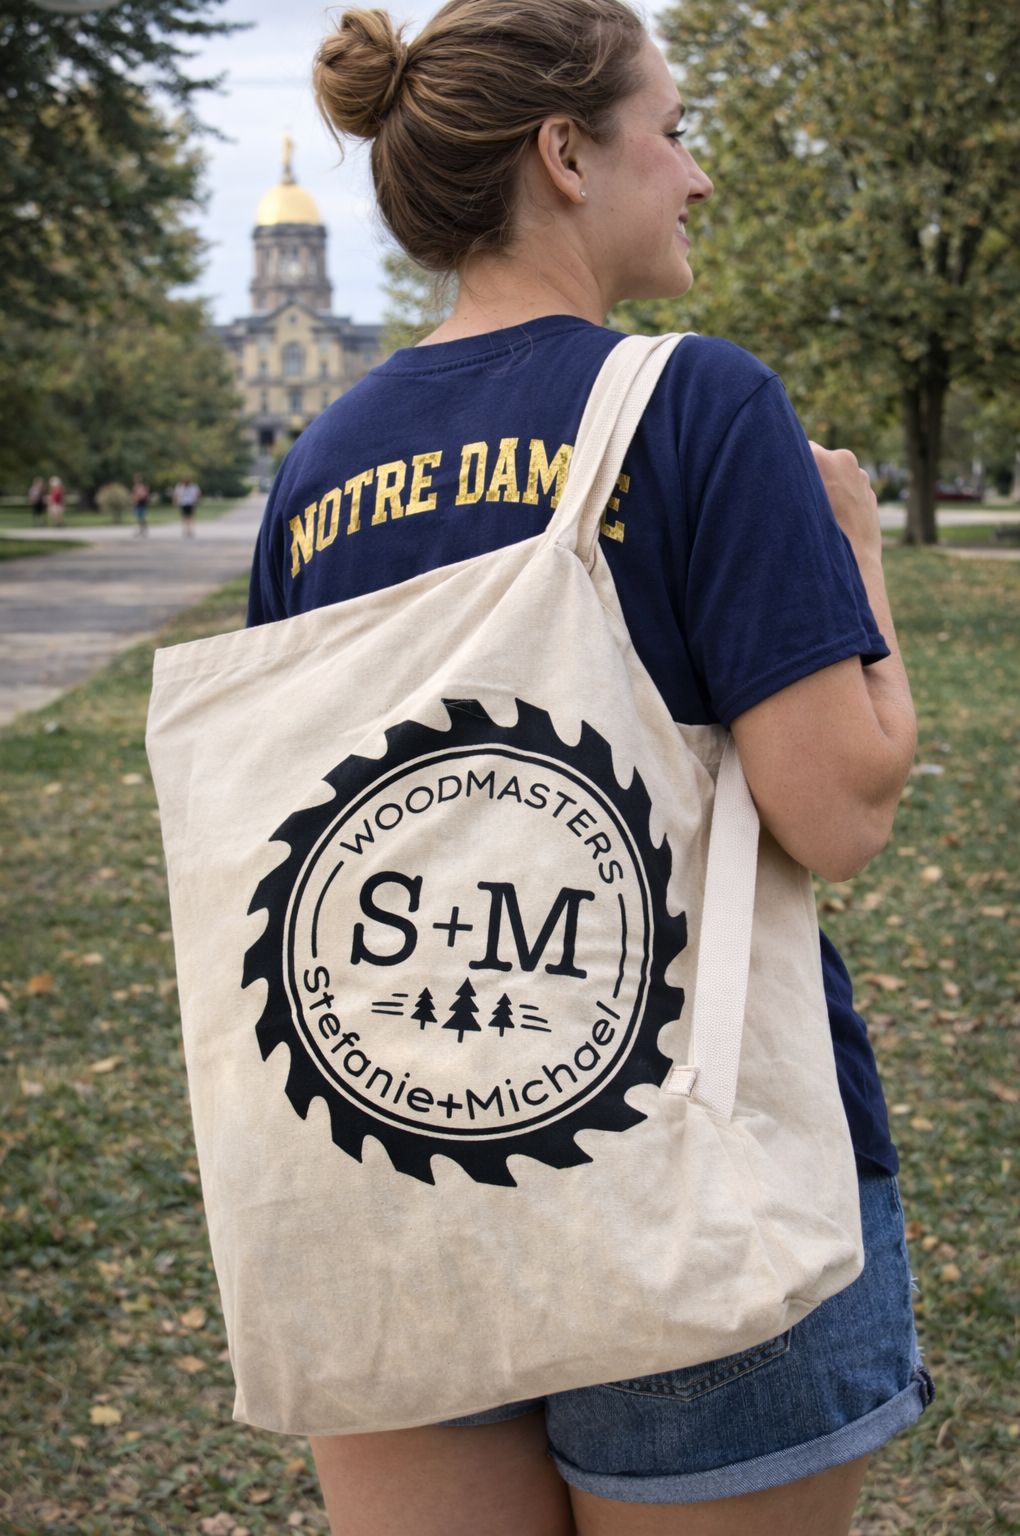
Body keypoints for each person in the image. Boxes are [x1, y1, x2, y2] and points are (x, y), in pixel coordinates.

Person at [247, 4, 926, 1533]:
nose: (697, 175)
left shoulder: (317, 465)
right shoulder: (702, 405)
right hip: (694, 1165)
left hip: (406, 1152)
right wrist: (860, 559)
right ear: (566, 152)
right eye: (671, 133)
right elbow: (837, 808)